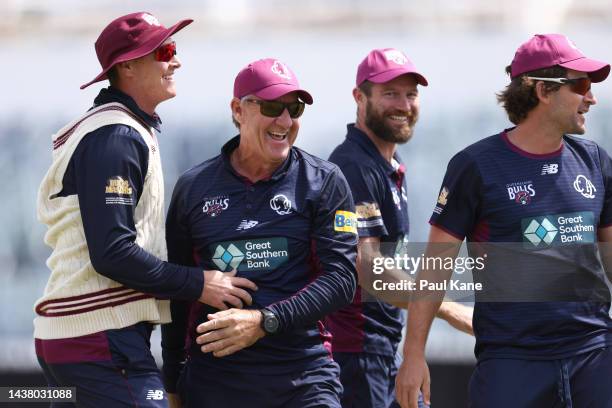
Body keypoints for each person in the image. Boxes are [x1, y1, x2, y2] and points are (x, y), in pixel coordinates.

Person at [35, 12, 256, 407]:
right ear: (127, 66)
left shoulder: (121, 129)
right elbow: (113, 253)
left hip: (84, 336)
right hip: (97, 336)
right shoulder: (116, 136)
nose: (177, 60)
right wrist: (200, 283)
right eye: (165, 50)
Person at [396, 34, 612, 408]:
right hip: (512, 363)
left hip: (594, 356)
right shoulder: (475, 165)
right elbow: (435, 267)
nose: (591, 98)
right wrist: (414, 355)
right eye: (580, 85)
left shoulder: (595, 160)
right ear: (543, 91)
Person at [161, 58, 358, 408]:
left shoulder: (325, 181)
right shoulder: (193, 187)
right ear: (238, 110)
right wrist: (173, 384)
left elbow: (342, 280)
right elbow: (176, 297)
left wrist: (263, 321)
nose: (284, 121)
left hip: (303, 379)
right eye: (271, 107)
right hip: (215, 384)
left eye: (294, 108)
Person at [324, 48, 473, 408]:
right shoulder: (352, 166)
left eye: (411, 93)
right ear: (359, 98)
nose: (403, 104)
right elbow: (369, 269)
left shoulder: (389, 163)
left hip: (382, 348)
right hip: (354, 354)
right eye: (390, 93)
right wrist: (450, 309)